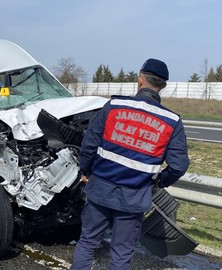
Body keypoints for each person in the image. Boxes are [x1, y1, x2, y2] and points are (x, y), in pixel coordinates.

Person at [70, 58, 190, 270]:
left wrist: (86, 171)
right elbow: (179, 165)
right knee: (122, 253)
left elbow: (89, 144)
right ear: (163, 86)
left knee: (88, 243)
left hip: (100, 189)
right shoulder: (172, 121)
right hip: (135, 196)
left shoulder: (114, 106)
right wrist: (159, 182)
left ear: (140, 80)